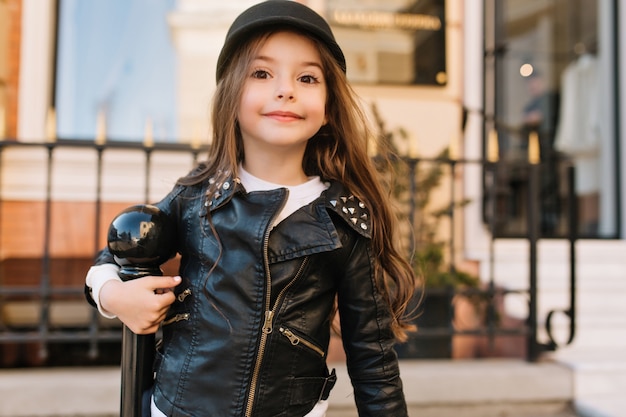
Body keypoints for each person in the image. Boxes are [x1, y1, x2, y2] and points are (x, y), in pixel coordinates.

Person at [85, 1, 417, 416]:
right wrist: (115, 296)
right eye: (262, 73)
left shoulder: (344, 219)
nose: (286, 89)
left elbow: (374, 361)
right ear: (231, 95)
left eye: (307, 77)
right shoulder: (198, 196)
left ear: (329, 108)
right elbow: (115, 255)